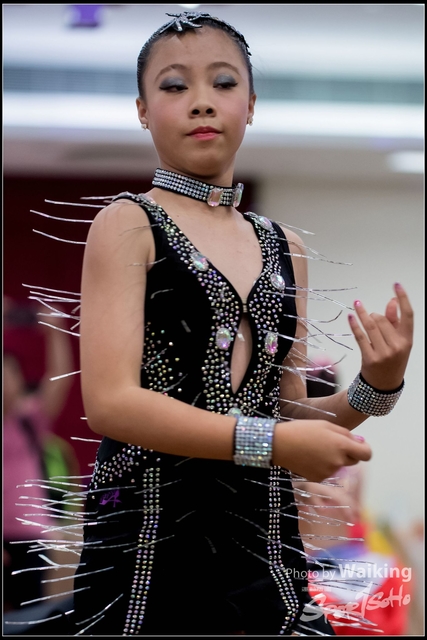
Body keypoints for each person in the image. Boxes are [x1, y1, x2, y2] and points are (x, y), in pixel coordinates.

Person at [68, 11, 413, 635]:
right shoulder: (127, 224)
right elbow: (111, 403)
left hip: (265, 542)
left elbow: (287, 414)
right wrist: (274, 444)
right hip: (150, 543)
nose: (201, 101)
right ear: (142, 110)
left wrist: (376, 388)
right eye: (175, 85)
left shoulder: (285, 247)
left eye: (223, 83)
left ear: (250, 105)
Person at [3, 301, 74, 612]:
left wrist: (55, 330)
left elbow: (61, 377)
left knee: (29, 618)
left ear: (21, 380)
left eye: (10, 373)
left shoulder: (31, 419)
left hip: (30, 536)